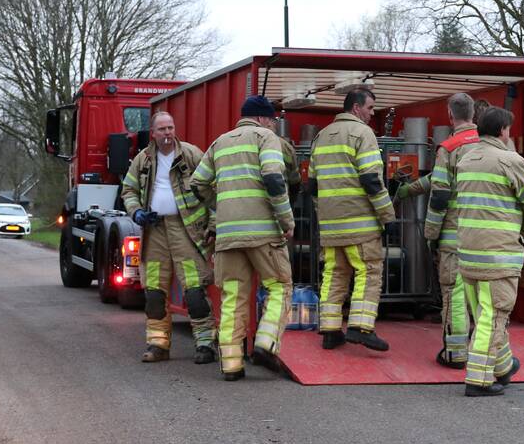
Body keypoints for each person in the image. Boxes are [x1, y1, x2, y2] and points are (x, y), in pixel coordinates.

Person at [191, 95, 295, 381]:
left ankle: (232, 365)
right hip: (263, 233)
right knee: (279, 286)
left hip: (227, 235)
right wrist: (286, 219)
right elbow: (274, 178)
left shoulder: (219, 142)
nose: (273, 125)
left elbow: (197, 185)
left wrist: (221, 206)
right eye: (272, 119)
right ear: (262, 118)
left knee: (233, 297)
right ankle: (266, 342)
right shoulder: (265, 138)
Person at [455, 106, 524, 397]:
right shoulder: (509, 160)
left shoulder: (466, 160)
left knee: (485, 315)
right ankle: (478, 380)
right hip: (498, 256)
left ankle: (503, 367)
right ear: (503, 131)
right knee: (493, 316)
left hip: (468, 255)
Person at [122, 111, 216, 365]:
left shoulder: (192, 154)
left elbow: (214, 188)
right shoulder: (143, 160)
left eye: (171, 128)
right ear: (153, 133)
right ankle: (158, 344)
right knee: (154, 292)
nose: (167, 133)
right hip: (155, 231)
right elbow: (129, 189)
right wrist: (137, 211)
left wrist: (213, 224)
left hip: (186, 230)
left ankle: (206, 344)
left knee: (195, 291)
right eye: (162, 129)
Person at [396, 92, 479, 367]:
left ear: (450, 115)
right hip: (491, 238)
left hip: (456, 238)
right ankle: (488, 355)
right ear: (474, 114)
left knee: (454, 295)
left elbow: (441, 193)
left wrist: (429, 235)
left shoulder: (450, 148)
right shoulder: (492, 145)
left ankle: (456, 353)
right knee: (484, 299)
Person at [308, 89, 395, 351]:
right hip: (360, 224)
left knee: (334, 275)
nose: (371, 114)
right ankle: (361, 327)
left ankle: (331, 331)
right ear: (356, 108)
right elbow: (371, 179)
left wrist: (324, 212)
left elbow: (312, 185)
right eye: (370, 108)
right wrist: (387, 215)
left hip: (330, 225)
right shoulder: (363, 134)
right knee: (369, 272)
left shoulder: (322, 136)